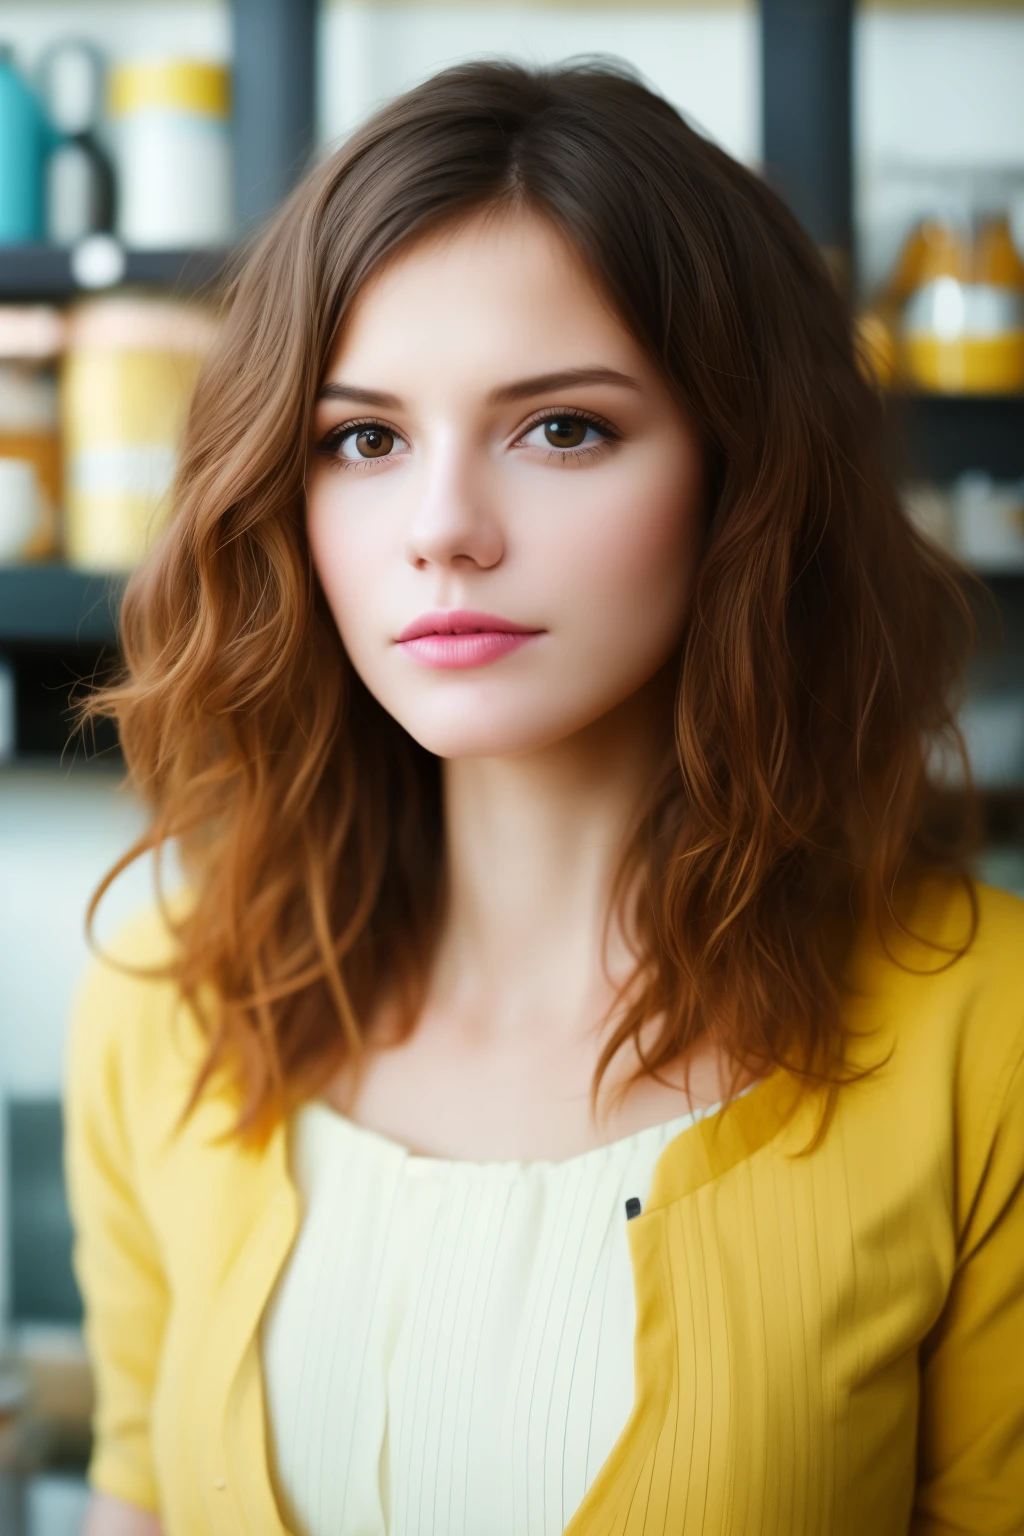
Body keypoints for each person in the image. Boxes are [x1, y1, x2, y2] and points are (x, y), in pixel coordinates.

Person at [64, 57, 1024, 1536]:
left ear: (742, 478)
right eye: (362, 439)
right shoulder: (164, 1010)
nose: (443, 528)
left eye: (562, 426)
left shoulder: (987, 1037)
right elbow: (137, 1488)